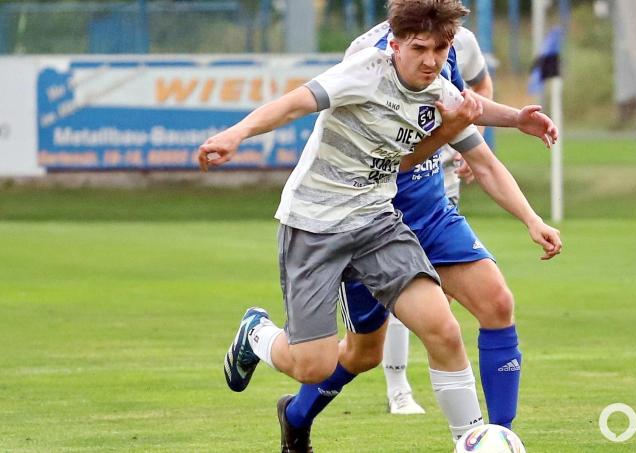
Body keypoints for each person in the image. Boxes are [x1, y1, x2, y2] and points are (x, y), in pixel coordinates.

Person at [200, 1, 559, 450]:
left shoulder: (440, 89)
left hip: (377, 223)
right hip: (315, 224)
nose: (431, 60)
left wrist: (515, 120)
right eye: (420, 48)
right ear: (395, 44)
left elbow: (474, 122)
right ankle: (257, 332)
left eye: (441, 49)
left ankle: (471, 440)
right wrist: (236, 133)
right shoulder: (363, 70)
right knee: (314, 365)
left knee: (443, 328)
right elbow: (293, 104)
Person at [372, 24, 495, 415]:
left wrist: (472, 139)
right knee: (406, 295)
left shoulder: (464, 41)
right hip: (392, 192)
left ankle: (452, 404)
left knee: (442, 298)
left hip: (441, 188)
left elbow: (480, 90)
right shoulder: (372, 50)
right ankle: (398, 388)